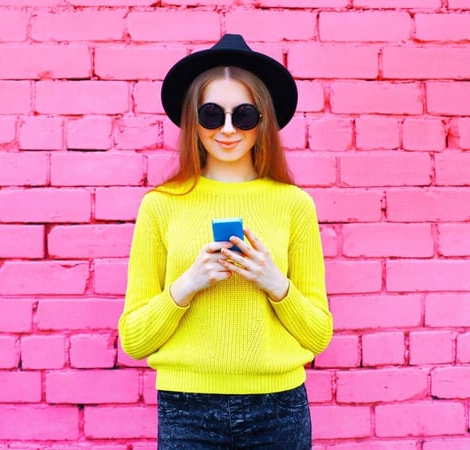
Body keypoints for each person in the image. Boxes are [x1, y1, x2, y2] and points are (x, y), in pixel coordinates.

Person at [118, 33, 333, 449]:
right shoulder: (160, 205)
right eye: (212, 115)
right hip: (187, 410)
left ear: (263, 120)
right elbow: (134, 339)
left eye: (245, 115)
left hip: (279, 409)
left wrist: (275, 283)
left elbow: (318, 336)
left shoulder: (294, 205)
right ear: (192, 120)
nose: (229, 130)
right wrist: (186, 285)